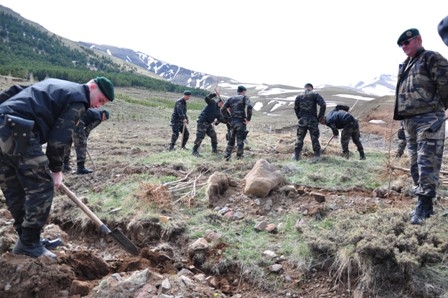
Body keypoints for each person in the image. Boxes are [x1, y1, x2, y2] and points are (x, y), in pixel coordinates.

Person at [0, 76, 114, 259]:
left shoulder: (56, 84)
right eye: (100, 100)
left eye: (103, 104)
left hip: (4, 126)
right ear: (91, 87)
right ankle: (29, 243)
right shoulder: (79, 99)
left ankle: (28, 240)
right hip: (17, 131)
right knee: (42, 185)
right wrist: (56, 170)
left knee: (14, 186)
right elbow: (58, 139)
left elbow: (15, 90)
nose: (98, 106)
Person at [394, 28, 448, 225]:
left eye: (407, 43)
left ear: (418, 40)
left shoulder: (430, 57)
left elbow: (445, 83)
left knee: (427, 162)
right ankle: (424, 202)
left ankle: (424, 205)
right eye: (401, 45)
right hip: (409, 121)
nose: (404, 47)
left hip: (428, 118)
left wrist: (437, 107)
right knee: (415, 163)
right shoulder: (406, 65)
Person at [64, 108, 110, 174]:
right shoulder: (99, 118)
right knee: (81, 145)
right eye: (105, 118)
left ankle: (65, 165)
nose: (103, 120)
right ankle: (81, 168)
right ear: (104, 114)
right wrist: (84, 140)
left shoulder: (95, 111)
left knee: (67, 142)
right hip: (79, 124)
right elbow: (88, 129)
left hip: (71, 121)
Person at [293, 83, 326, 161]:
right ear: (312, 88)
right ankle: (317, 155)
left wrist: (300, 117)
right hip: (312, 119)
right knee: (314, 138)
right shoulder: (315, 94)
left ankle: (296, 156)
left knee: (300, 137)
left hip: (302, 119)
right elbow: (323, 105)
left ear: (305, 88)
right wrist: (319, 117)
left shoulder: (299, 96)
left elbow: (295, 108)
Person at [220, 85, 253, 161]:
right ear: (243, 91)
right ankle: (239, 157)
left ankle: (227, 156)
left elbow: (222, 109)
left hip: (232, 123)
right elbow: (249, 106)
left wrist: (228, 119)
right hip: (241, 122)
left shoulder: (230, 99)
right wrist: (248, 118)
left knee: (231, 140)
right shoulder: (244, 98)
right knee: (240, 140)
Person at [192, 92, 224, 156]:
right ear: (219, 102)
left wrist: (217, 122)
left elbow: (221, 119)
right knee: (200, 136)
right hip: (202, 121)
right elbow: (207, 98)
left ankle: (214, 150)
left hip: (208, 124)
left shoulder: (218, 111)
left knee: (214, 136)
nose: (222, 105)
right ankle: (194, 151)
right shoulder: (212, 103)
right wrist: (214, 94)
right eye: (222, 103)